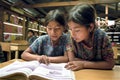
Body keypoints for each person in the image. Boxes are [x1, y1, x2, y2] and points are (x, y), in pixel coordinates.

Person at [65, 4, 114, 71]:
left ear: (90, 27)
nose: (72, 34)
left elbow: (110, 64)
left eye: (77, 30)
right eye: (70, 29)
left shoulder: (102, 37)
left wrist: (83, 64)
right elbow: (72, 60)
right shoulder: (70, 37)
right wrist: (98, 64)